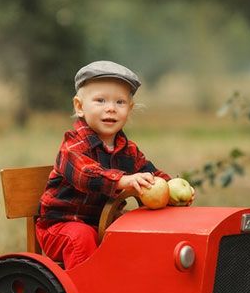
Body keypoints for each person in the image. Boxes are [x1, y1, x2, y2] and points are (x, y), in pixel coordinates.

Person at [36, 60, 171, 269]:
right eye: (100, 100)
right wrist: (123, 180)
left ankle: (128, 289)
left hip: (104, 224)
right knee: (81, 237)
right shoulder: (73, 145)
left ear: (130, 109)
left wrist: (174, 188)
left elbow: (150, 173)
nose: (111, 109)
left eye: (120, 102)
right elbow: (87, 175)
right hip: (59, 226)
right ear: (79, 107)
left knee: (136, 231)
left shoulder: (128, 150)